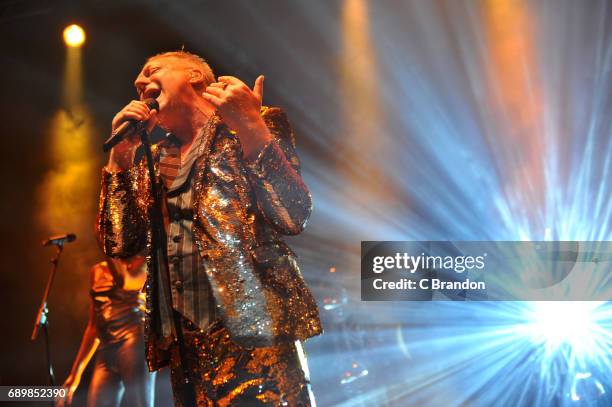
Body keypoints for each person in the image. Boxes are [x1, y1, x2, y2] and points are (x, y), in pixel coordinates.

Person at [97, 50, 322, 406]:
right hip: (186, 349)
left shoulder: (254, 123)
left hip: (255, 335)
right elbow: (119, 243)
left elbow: (294, 215)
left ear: (195, 77)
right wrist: (120, 157)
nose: (139, 83)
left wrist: (250, 126)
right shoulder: (153, 161)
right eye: (138, 80)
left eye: (151, 71)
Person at [58, 255, 155, 407]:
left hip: (134, 344)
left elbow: (125, 280)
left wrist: (111, 256)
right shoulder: (97, 270)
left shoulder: (142, 262)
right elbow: (93, 326)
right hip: (107, 349)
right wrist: (75, 374)